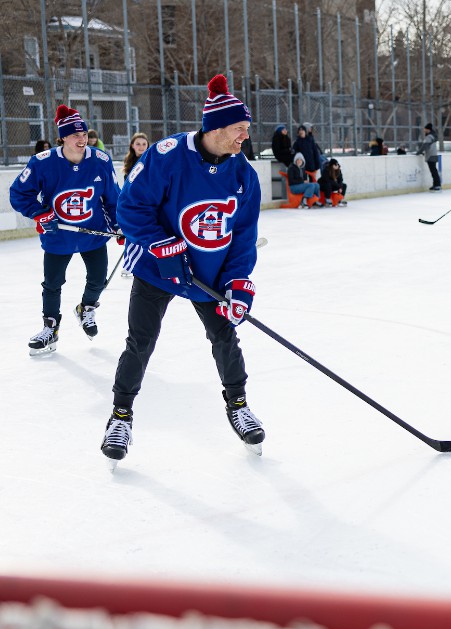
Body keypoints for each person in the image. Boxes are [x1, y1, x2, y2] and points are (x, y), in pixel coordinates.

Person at [102, 73, 265, 465]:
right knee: (140, 341)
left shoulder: (243, 174)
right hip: (157, 268)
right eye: (240, 129)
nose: (245, 136)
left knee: (225, 337)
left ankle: (238, 405)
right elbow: (130, 207)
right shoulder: (165, 155)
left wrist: (239, 283)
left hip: (209, 272)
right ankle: (120, 415)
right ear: (216, 128)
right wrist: (163, 245)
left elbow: (242, 235)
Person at [9, 105, 120, 355]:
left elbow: (113, 198)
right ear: (63, 137)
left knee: (98, 279)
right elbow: (18, 193)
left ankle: (87, 309)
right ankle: (50, 329)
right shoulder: (43, 162)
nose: (81, 139)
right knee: (52, 283)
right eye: (74, 135)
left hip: (93, 233)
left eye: (83, 134)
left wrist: (119, 225)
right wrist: (40, 213)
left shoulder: (100, 160)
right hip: (58, 235)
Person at [416, 123, 441, 191]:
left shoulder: (429, 137)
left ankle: (437, 185)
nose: (424, 130)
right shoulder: (433, 136)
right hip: (434, 154)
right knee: (434, 171)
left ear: (428, 129)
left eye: (425, 129)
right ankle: (436, 184)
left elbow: (425, 146)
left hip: (430, 155)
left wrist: (418, 152)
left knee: (433, 171)